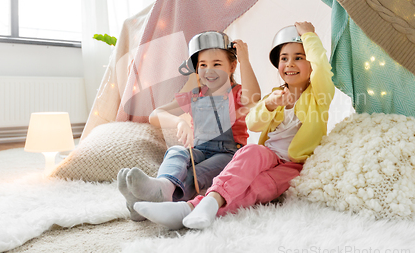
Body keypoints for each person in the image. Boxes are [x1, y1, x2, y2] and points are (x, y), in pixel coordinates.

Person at [133, 21, 335, 229]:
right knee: (250, 152)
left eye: (299, 58)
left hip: (291, 165)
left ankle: (191, 208)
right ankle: (174, 193)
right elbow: (253, 124)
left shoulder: (319, 95)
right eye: (284, 58)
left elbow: (322, 68)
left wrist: (309, 36)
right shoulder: (276, 94)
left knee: (255, 188)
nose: (290, 64)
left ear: (310, 61)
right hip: (267, 155)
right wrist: (269, 105)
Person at [118, 31, 261, 221]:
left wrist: (245, 59)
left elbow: (255, 97)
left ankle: (143, 203)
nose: (209, 71)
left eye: (217, 64)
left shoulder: (237, 94)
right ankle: (161, 188)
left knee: (195, 174)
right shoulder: (194, 96)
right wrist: (178, 121)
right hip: (199, 150)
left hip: (227, 155)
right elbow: (155, 115)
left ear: (232, 66)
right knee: (176, 152)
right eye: (203, 65)